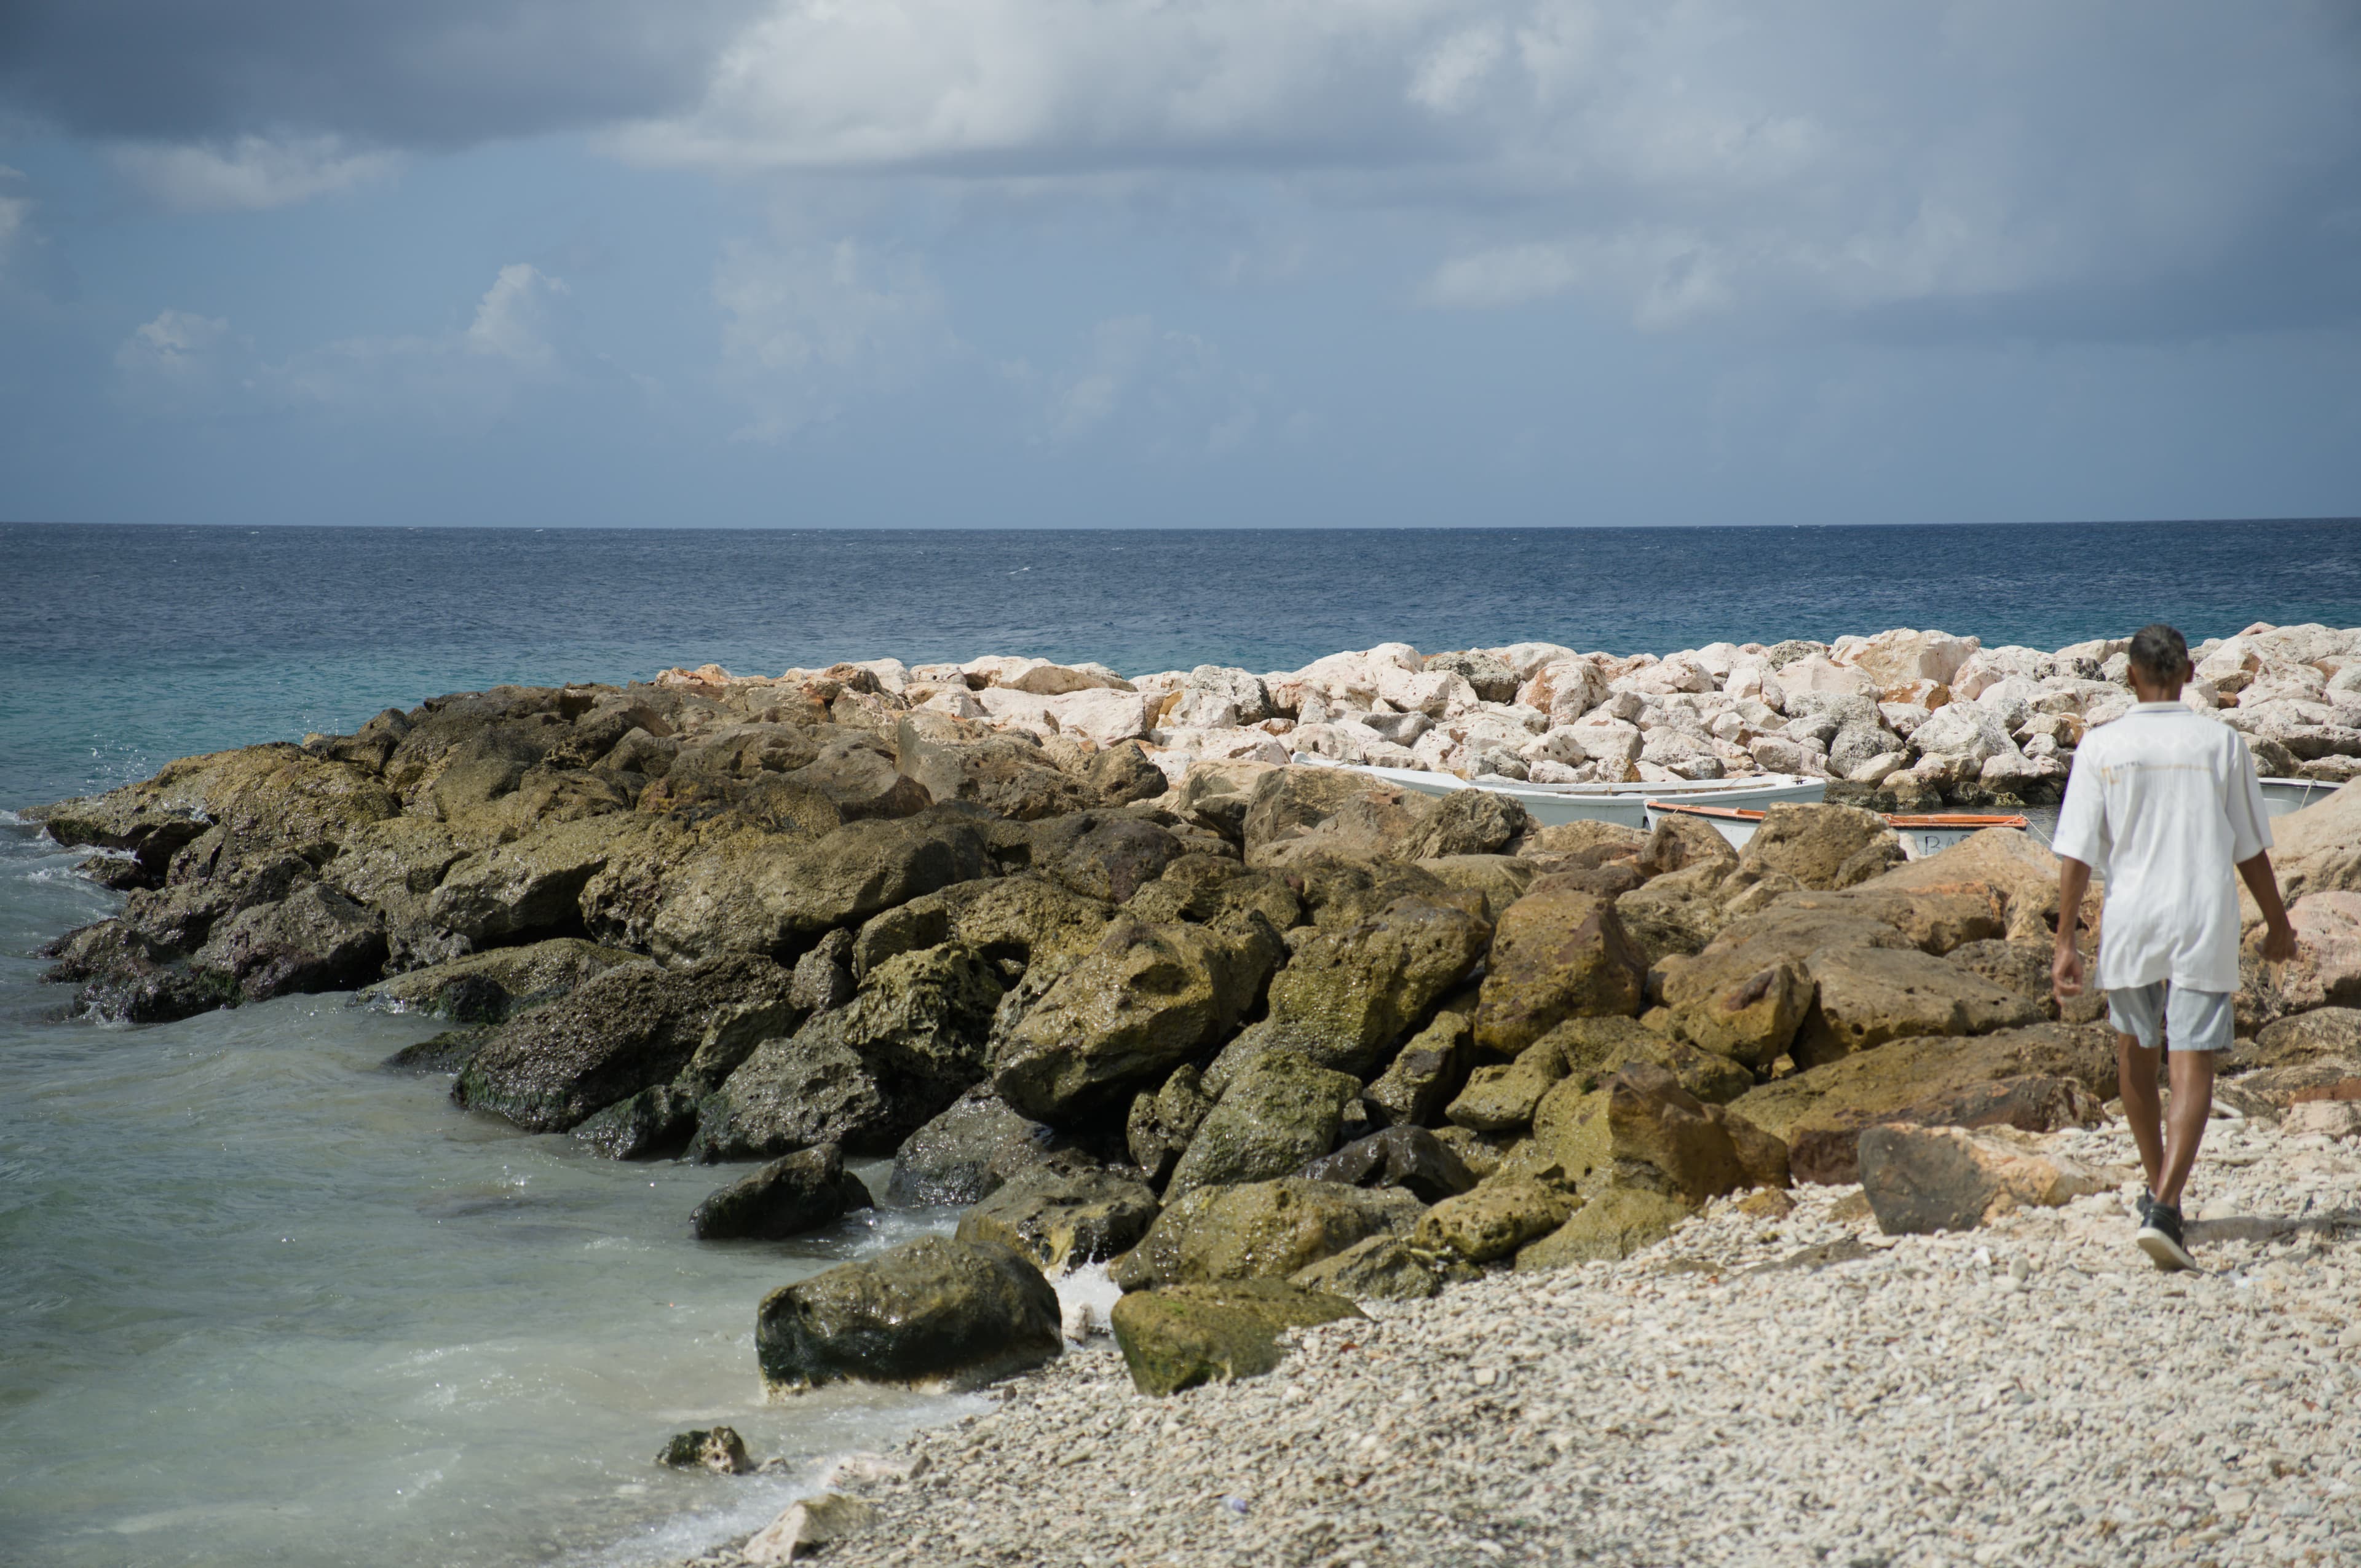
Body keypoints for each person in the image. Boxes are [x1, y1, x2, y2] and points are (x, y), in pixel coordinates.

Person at [2051, 622, 2298, 1271]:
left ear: (2130, 675)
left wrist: (2064, 942)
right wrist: (2278, 924)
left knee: (2134, 1051)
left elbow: (2077, 852)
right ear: (2188, 674)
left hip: (2133, 915)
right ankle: (2166, 1205)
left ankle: (2161, 1194)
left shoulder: (2104, 745)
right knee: (2191, 1060)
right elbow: (2250, 848)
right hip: (2201, 915)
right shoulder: (2220, 743)